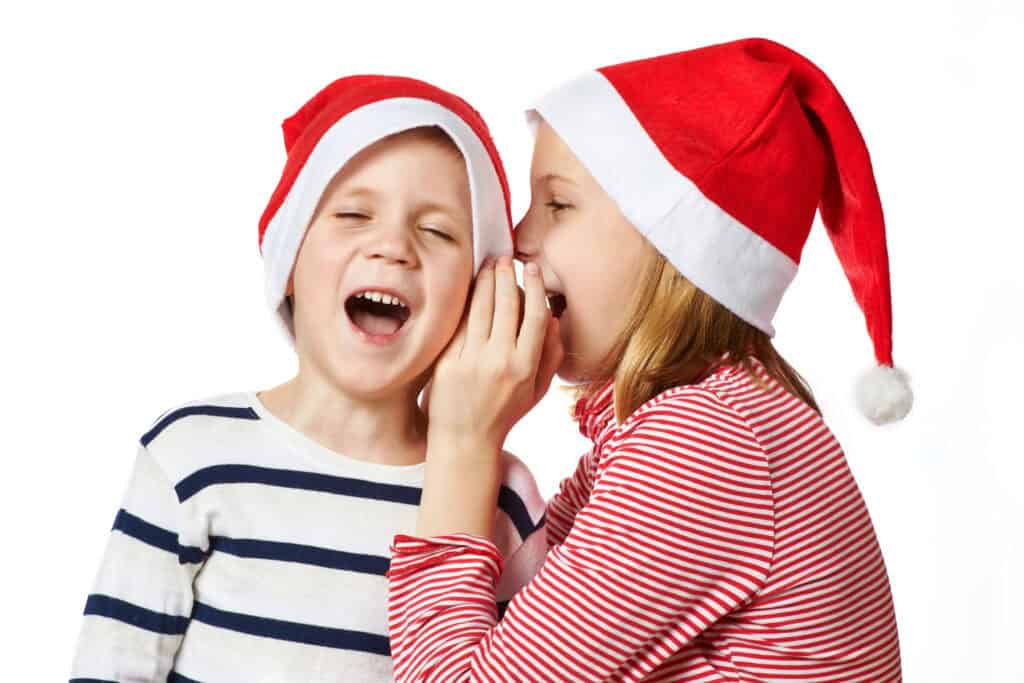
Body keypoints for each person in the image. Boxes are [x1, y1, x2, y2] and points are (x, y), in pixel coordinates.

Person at [386, 37, 913, 681]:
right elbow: (523, 608)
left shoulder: (704, 444)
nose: (521, 237)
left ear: (675, 251)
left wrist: (464, 439)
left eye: (558, 204)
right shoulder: (687, 426)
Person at [68, 75, 549, 682]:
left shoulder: (498, 496)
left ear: (479, 295)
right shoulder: (192, 454)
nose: (394, 247)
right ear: (289, 261)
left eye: (438, 231)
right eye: (352, 213)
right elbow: (112, 667)